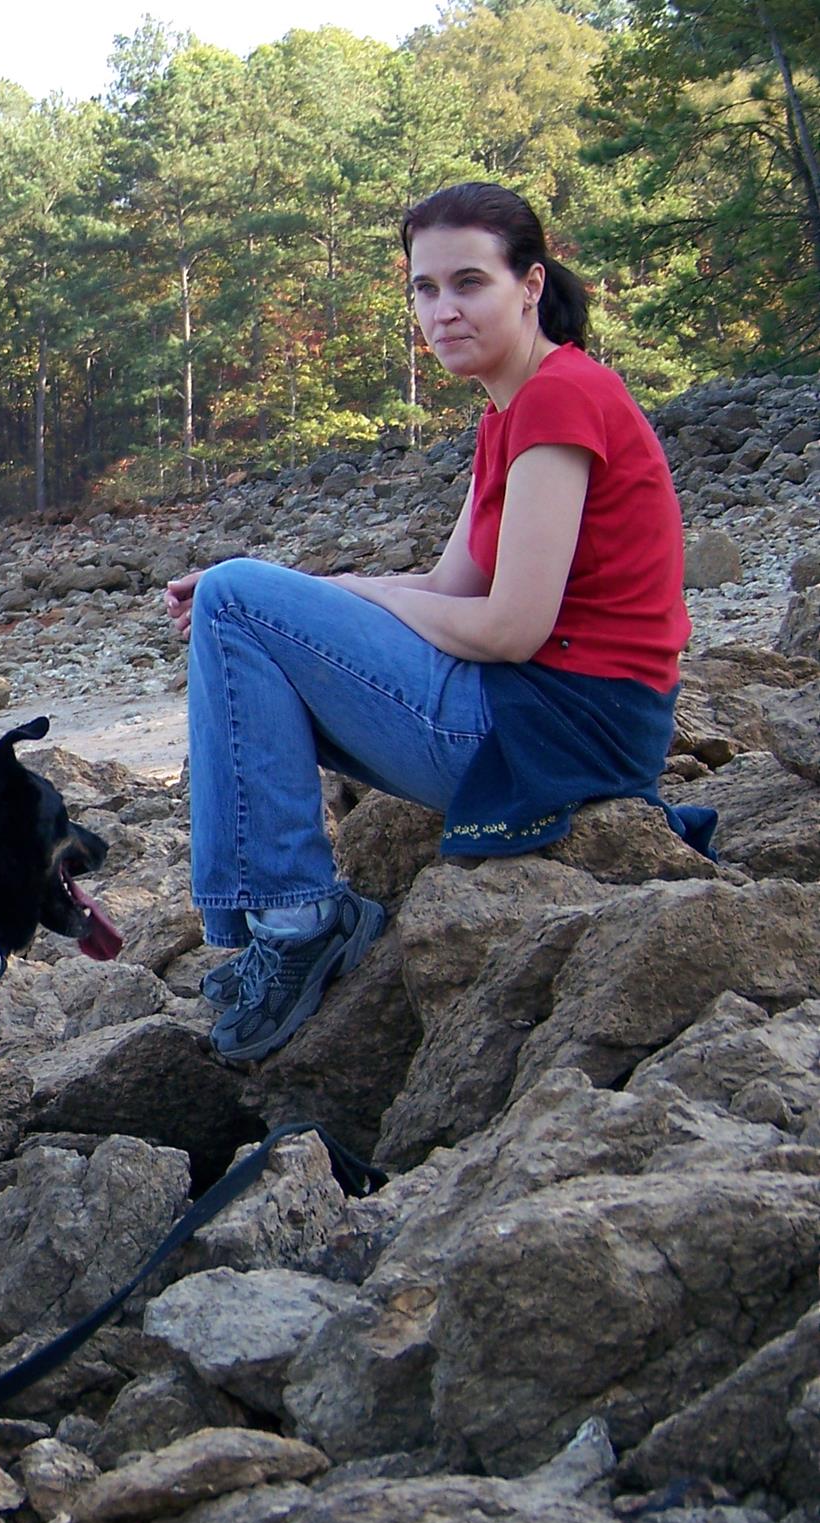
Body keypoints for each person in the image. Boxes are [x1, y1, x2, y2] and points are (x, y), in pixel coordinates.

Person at [163, 181, 713, 1064]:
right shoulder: (511, 410)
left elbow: (509, 629)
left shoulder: (562, 400)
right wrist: (304, 597)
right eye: (424, 288)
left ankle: (297, 924)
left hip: (558, 734)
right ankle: (283, 923)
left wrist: (294, 600)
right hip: (535, 715)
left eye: (468, 284)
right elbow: (447, 581)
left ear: (529, 285)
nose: (443, 311)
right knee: (240, 606)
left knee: (239, 599)